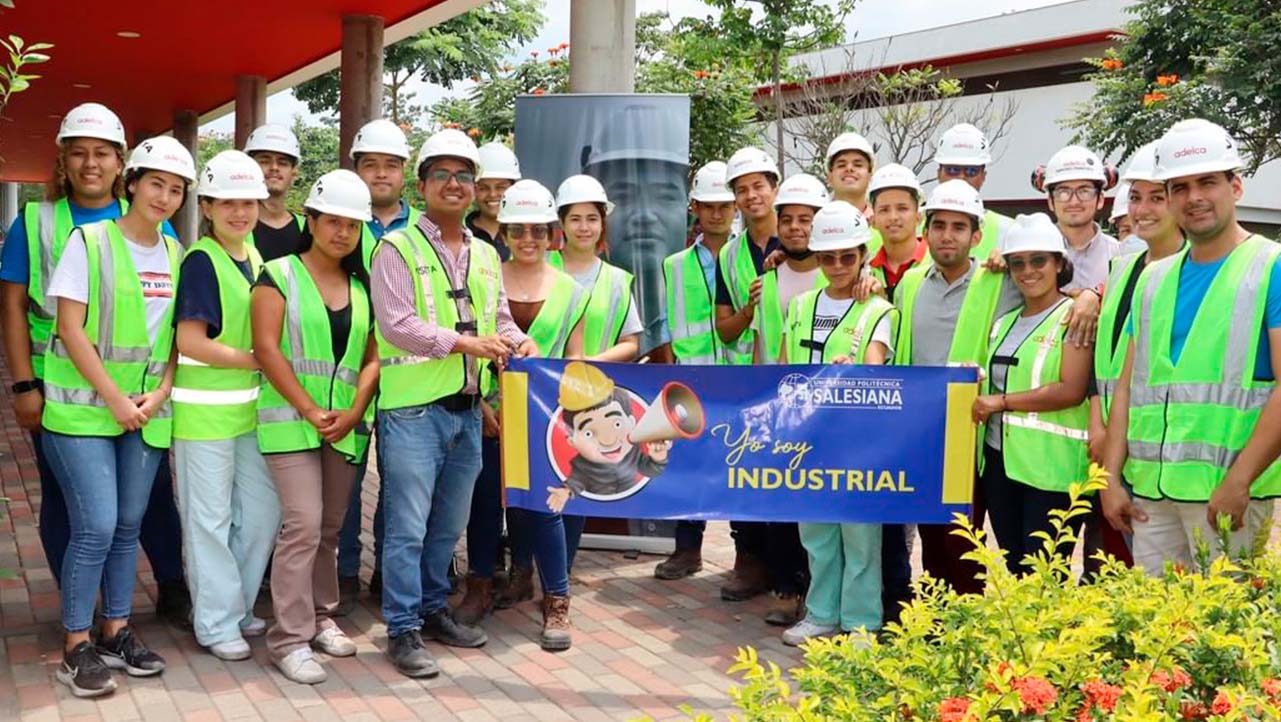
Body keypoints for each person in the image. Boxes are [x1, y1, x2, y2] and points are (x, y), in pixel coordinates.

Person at [0, 103, 189, 625]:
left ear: (120, 164)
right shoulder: (36, 221)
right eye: (78, 154)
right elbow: (14, 307)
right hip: (61, 389)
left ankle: (164, 589)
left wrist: (160, 389)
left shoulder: (156, 228)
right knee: (73, 505)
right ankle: (80, 606)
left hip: (138, 400)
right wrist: (23, 384)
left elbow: (167, 322)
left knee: (146, 501)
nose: (90, 164)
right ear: (62, 161)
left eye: (102, 154)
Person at [372, 128, 536, 678]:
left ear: (475, 188)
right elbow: (397, 325)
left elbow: (501, 320)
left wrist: (519, 342)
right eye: (441, 174)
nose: (454, 184)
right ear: (421, 186)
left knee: (448, 528)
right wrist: (465, 343)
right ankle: (400, 629)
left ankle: (431, 609)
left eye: (463, 176)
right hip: (413, 412)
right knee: (407, 527)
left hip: (467, 413)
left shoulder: (488, 255)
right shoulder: (395, 247)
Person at [41, 135, 193, 697]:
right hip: (82, 413)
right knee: (97, 525)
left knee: (129, 524)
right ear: (131, 183)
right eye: (155, 183)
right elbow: (70, 328)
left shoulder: (178, 254)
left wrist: (163, 391)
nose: (164, 196)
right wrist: (113, 397)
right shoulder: (91, 241)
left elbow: (177, 341)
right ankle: (75, 645)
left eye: (176, 189)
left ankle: (117, 630)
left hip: (146, 413)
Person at [1101, 119, 1281, 574]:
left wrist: (1240, 481)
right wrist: (1110, 479)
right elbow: (1127, 388)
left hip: (1226, 496)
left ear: (1235, 185)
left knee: (1223, 636)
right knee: (1160, 634)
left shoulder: (1269, 267)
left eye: (1207, 182)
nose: (1194, 197)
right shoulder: (1153, 278)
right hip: (1151, 496)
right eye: (1179, 187)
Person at [252, 170, 379, 684]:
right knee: (302, 524)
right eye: (333, 221)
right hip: (291, 422)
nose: (342, 233)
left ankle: (322, 614)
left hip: (344, 425)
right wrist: (308, 407)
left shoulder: (361, 284)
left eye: (352, 225)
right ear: (313, 220)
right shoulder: (278, 274)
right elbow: (266, 347)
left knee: (330, 527)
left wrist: (352, 412)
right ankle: (288, 639)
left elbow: (373, 356)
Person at [456, 180, 588, 648]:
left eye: (537, 230)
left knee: (543, 509)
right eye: (518, 231)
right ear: (504, 234)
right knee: (484, 503)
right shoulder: (485, 280)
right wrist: (482, 405)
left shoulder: (572, 290)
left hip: (544, 420)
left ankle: (557, 600)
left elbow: (575, 359)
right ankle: (480, 585)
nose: (528, 239)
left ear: (552, 234)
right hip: (489, 413)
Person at [500, 175, 640, 609]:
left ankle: (558, 580)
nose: (584, 227)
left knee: (567, 492)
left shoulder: (617, 280)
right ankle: (521, 571)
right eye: (574, 218)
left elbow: (633, 342)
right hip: (514, 398)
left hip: (576, 402)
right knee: (519, 495)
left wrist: (590, 370)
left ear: (602, 224)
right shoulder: (538, 265)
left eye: (592, 219)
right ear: (559, 225)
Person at [171, 150, 280, 661]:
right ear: (208, 206)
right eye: (229, 202)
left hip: (250, 416)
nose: (241, 212)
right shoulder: (202, 260)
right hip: (203, 416)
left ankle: (231, 605)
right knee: (208, 522)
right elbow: (189, 342)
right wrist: (257, 360)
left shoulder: (255, 259)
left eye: (250, 202)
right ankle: (215, 622)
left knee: (259, 515)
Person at [894, 180, 1024, 594]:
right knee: (932, 532)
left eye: (958, 227)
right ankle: (935, 618)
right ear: (925, 231)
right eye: (939, 225)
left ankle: (966, 619)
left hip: (970, 431)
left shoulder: (998, 282)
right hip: (920, 428)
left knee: (963, 536)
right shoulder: (910, 284)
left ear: (977, 236)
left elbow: (1052, 297)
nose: (947, 235)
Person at [778, 201, 897, 646]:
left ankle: (862, 621)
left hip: (858, 443)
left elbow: (875, 371)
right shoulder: (802, 305)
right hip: (810, 440)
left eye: (848, 256)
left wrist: (853, 375)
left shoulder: (879, 311)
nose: (837, 265)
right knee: (818, 533)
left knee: (861, 536)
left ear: (863, 254)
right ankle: (822, 612)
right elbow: (785, 368)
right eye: (828, 257)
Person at [972, 213, 1092, 573]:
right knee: (1015, 565)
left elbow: (1071, 390)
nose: (1028, 271)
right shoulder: (1003, 322)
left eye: (1039, 260)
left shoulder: (1074, 315)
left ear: (1059, 264)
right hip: (1001, 463)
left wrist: (1003, 403)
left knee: (1044, 572)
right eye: (1018, 263)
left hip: (1053, 472)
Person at [335, 117, 421, 612]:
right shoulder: (338, 221)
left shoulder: (423, 227)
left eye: (391, 166)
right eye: (372, 165)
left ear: (404, 173)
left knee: (401, 483)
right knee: (346, 477)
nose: (381, 175)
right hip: (349, 371)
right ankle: (344, 571)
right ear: (357, 169)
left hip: (408, 376)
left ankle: (390, 572)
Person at [1088, 143, 1184, 570]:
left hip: (1163, 461)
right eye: (1135, 197)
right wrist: (1099, 426)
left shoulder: (1191, 271)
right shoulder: (1126, 268)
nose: (1142, 210)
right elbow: (1106, 363)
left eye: (1156, 197)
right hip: (1115, 447)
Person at [742, 172, 829, 627]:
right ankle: (785, 587)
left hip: (826, 409)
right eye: (789, 219)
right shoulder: (770, 275)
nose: (797, 227)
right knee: (779, 503)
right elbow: (761, 338)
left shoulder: (840, 271)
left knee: (817, 505)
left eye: (806, 219)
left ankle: (816, 590)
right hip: (779, 404)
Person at [653, 161, 735, 581]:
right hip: (693, 379)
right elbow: (665, 325)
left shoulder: (752, 257)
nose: (717, 213)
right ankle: (687, 550)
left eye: (725, 205)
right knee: (689, 467)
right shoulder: (675, 264)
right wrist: (671, 375)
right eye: (709, 205)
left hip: (742, 379)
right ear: (695, 208)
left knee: (743, 467)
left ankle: (748, 561)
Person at [713, 145, 781, 602]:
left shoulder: (802, 237)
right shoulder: (731, 255)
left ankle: (788, 572)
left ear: (774, 188)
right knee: (746, 473)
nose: (751, 195)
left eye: (759, 185)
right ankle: (749, 560)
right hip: (745, 380)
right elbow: (724, 327)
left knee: (791, 475)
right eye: (743, 189)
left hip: (795, 377)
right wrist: (751, 308)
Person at [582, 103, 690, 352]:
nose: (644, 215)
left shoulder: (708, 278)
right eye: (623, 195)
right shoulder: (570, 284)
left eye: (664, 196)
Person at [1034, 145, 1121, 294]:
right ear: (1050, 201)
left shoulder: (1119, 254)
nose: (1074, 201)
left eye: (1084, 191)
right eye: (1063, 192)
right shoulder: (1032, 252)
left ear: (1100, 199)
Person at [932, 123, 1011, 260]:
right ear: (939, 173)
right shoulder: (911, 226)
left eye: (971, 171)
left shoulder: (1009, 231)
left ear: (983, 176)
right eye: (952, 170)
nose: (961, 177)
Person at [243, 123, 305, 261]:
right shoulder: (236, 225)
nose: (274, 167)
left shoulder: (308, 229)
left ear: (294, 171)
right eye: (265, 161)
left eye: (283, 163)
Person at [866, 164, 927, 300]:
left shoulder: (936, 265)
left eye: (902, 208)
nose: (893, 217)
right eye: (884, 210)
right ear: (873, 220)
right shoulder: (864, 270)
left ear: (918, 217)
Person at [824, 132, 882, 253]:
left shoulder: (883, 224)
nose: (849, 168)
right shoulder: (815, 223)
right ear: (829, 176)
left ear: (870, 175)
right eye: (841, 165)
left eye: (858, 164)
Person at [466, 141, 520, 260]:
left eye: (501, 187)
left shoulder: (526, 234)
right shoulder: (462, 233)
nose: (492, 194)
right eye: (483, 188)